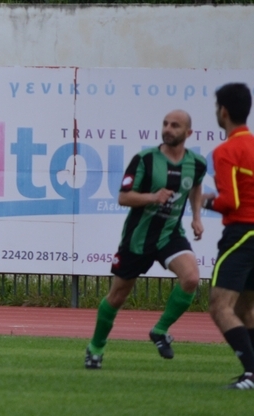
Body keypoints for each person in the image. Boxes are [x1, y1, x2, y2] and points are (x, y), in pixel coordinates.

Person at [84, 109, 205, 369]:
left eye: (175, 125)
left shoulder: (197, 164)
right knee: (117, 297)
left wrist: (196, 217)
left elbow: (196, 186)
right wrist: (153, 197)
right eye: (165, 124)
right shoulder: (145, 160)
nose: (168, 129)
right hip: (137, 239)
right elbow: (123, 197)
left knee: (191, 278)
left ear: (188, 132)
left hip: (170, 235)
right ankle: (95, 347)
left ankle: (160, 331)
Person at [201, 83, 254, 389]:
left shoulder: (226, 151)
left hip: (242, 234)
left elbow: (230, 201)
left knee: (220, 305)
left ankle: (251, 373)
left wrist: (205, 201)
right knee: (246, 308)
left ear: (223, 111)